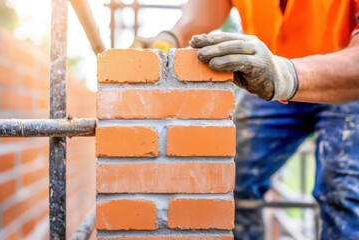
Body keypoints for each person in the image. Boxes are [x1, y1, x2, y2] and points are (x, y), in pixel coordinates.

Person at [132, 1, 359, 239]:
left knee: (344, 193)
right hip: (268, 77)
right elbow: (210, 5)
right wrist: (174, 35)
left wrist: (285, 74)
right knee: (227, 179)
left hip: (341, 81)